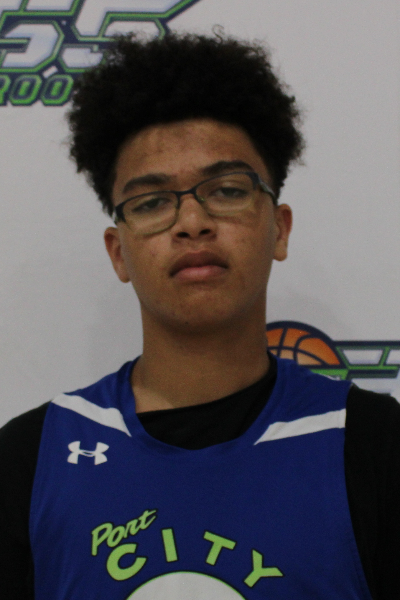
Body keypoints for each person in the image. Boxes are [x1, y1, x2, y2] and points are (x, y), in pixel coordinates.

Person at [0, 32, 399, 600]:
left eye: (228, 190)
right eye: (151, 202)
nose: (192, 222)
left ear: (279, 229)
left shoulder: (372, 445)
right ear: (119, 252)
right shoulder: (31, 457)